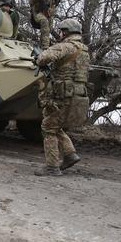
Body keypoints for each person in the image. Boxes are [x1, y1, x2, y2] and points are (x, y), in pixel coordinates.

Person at [33, 19, 89, 176]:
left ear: (65, 32)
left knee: (48, 127)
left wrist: (39, 57)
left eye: (62, 31)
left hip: (63, 94)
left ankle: (52, 167)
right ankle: (70, 154)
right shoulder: (84, 49)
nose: (61, 34)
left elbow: (43, 58)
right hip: (78, 94)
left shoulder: (65, 46)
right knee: (55, 124)